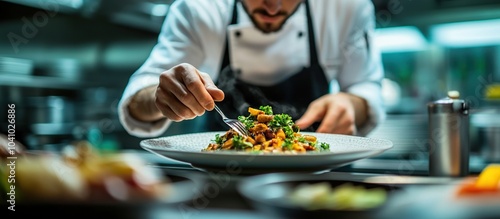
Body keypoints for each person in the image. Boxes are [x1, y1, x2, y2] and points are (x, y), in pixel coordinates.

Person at [118, 0, 385, 138]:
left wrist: (350, 103)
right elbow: (136, 103)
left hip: (320, 180)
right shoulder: (198, 8)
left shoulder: (348, 7)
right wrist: (159, 96)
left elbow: (366, 87)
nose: (273, 6)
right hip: (219, 183)